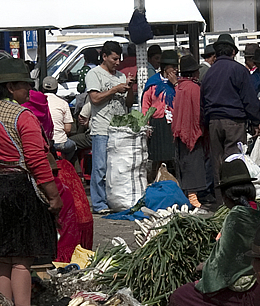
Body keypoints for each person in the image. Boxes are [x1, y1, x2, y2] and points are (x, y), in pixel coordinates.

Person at [0, 58, 61, 306]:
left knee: (2, 258)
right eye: (25, 85)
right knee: (22, 259)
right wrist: (53, 195)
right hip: (20, 191)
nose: (29, 91)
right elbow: (36, 159)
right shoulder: (22, 116)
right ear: (11, 86)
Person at [167, 159, 260, 306]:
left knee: (181, 295)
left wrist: (205, 270)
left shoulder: (235, 217)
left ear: (227, 196)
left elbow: (224, 261)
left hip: (246, 293)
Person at [200, 34, 260, 192]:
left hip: (214, 122)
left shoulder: (209, 73)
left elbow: (203, 102)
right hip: (234, 122)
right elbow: (249, 99)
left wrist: (207, 122)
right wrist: (255, 122)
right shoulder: (239, 70)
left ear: (217, 53)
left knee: (217, 162)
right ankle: (234, 197)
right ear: (233, 52)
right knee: (233, 161)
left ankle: (221, 200)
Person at [85, 40, 134, 213]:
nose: (117, 62)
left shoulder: (121, 76)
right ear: (104, 57)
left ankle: (114, 200)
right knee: (100, 167)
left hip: (119, 130)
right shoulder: (94, 74)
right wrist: (114, 89)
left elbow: (128, 103)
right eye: (114, 59)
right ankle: (98, 203)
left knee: (116, 167)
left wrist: (129, 88)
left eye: (119, 58)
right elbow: (95, 99)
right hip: (102, 128)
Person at [172, 55, 213, 211]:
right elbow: (199, 111)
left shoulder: (180, 86)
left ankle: (189, 196)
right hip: (192, 131)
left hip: (180, 131)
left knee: (185, 164)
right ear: (195, 72)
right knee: (193, 164)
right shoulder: (194, 88)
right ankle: (193, 198)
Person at [142, 49, 178, 175]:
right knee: (157, 158)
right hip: (157, 123)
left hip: (173, 123)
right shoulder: (153, 83)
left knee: (174, 158)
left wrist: (176, 85)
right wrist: (146, 124)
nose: (175, 70)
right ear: (164, 67)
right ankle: (155, 181)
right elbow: (146, 105)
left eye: (176, 67)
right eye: (172, 67)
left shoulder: (177, 83)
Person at [43, 76, 76, 161]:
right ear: (56, 89)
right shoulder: (63, 103)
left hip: (42, 142)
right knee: (73, 146)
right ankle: (65, 164)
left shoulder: (36, 102)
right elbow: (68, 129)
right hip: (60, 142)